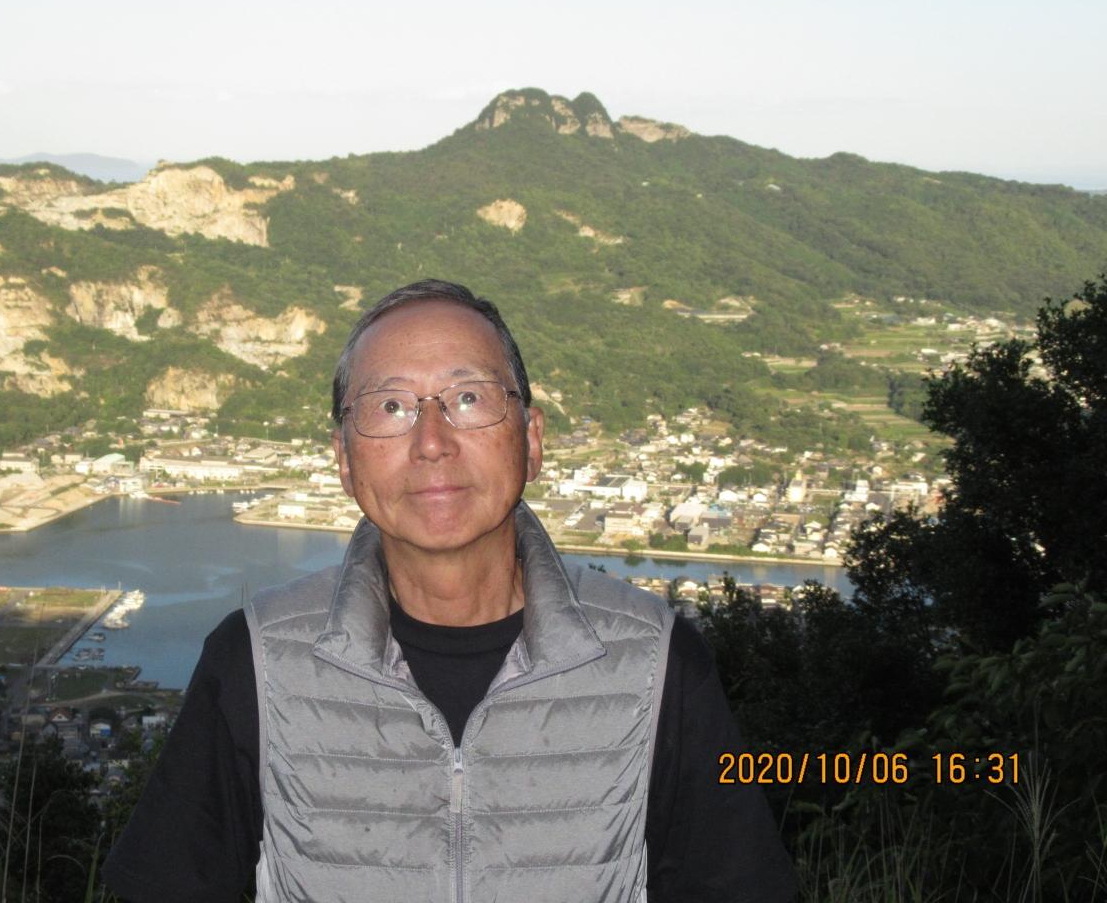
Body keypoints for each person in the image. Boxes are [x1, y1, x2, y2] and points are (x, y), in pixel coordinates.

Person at [103, 280, 795, 902]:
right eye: (392, 406)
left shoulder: (657, 663)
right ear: (344, 459)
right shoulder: (254, 662)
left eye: (469, 399)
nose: (432, 441)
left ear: (531, 439)